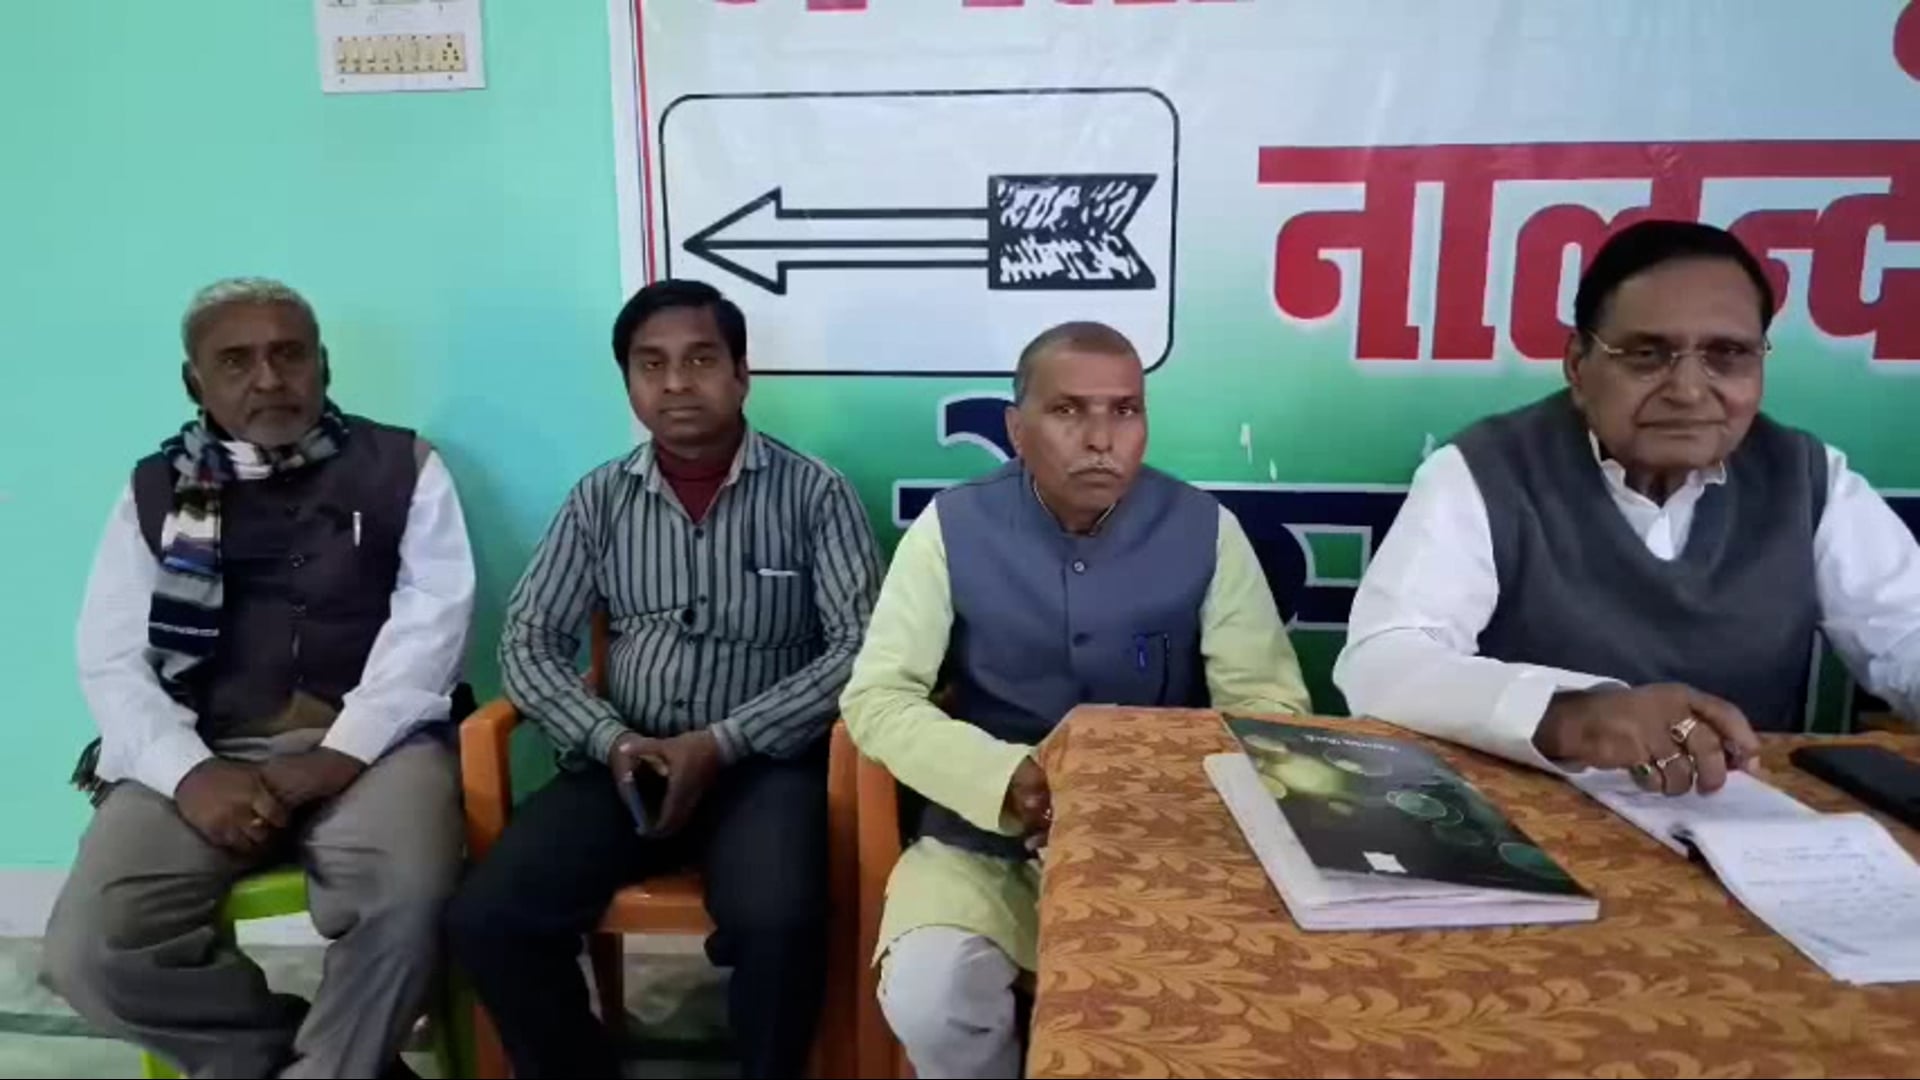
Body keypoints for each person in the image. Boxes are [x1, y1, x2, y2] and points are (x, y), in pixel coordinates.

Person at [843, 320, 1311, 1079]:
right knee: (933, 997)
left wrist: (1144, 789)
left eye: (1125, 411)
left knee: (1218, 1003)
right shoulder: (951, 528)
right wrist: (1007, 780)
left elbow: (1271, 713)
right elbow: (878, 698)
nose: (1101, 438)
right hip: (985, 843)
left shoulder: (1204, 530)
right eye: (1068, 411)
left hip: (1164, 845)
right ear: (1015, 428)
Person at [447, 278, 882, 1078]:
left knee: (781, 920)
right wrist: (610, 740)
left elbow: (859, 648)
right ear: (629, 383)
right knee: (489, 918)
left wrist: (721, 743)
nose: (677, 383)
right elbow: (529, 640)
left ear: (742, 374)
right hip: (622, 762)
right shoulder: (599, 499)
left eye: (701, 360)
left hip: (764, 767)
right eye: (652, 365)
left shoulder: (815, 493)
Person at [43, 278, 477, 1079]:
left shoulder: (404, 465)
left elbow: (434, 627)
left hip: (376, 745)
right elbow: (111, 658)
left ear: (324, 365)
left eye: (289, 355)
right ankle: (306, 1062)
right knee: (89, 948)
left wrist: (342, 752)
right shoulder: (152, 490)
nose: (269, 379)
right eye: (236, 361)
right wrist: (190, 772)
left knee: (408, 896)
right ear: (195, 382)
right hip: (204, 747)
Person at [1336, 219, 1920, 796]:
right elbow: (1381, 664)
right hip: (1530, 818)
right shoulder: (1485, 471)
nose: (1688, 390)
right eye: (1646, 354)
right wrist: (1573, 716)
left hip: (1747, 818)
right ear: (1578, 365)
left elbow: (1907, 636)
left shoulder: (1807, 478)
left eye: (1727, 354)